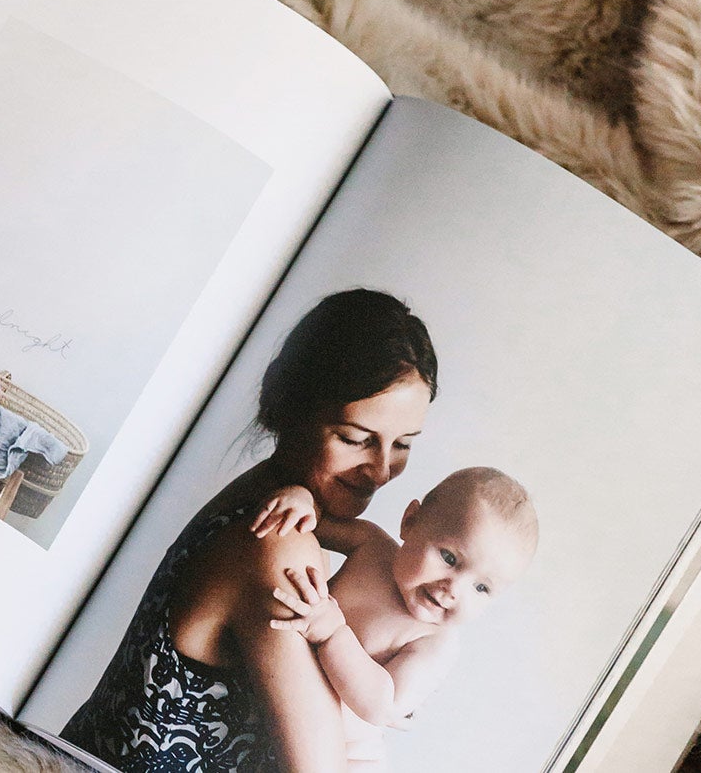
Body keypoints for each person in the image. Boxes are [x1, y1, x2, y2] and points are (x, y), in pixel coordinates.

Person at [62, 288, 438, 772]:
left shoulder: (264, 492)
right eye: (355, 439)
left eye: (403, 445)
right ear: (294, 411)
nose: (381, 470)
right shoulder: (281, 541)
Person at [254, 467, 539, 768]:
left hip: (346, 758)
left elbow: (381, 706)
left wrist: (333, 634)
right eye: (450, 558)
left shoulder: (435, 642)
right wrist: (301, 500)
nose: (453, 588)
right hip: (277, 713)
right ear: (410, 522)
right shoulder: (369, 544)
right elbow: (315, 523)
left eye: (481, 587)